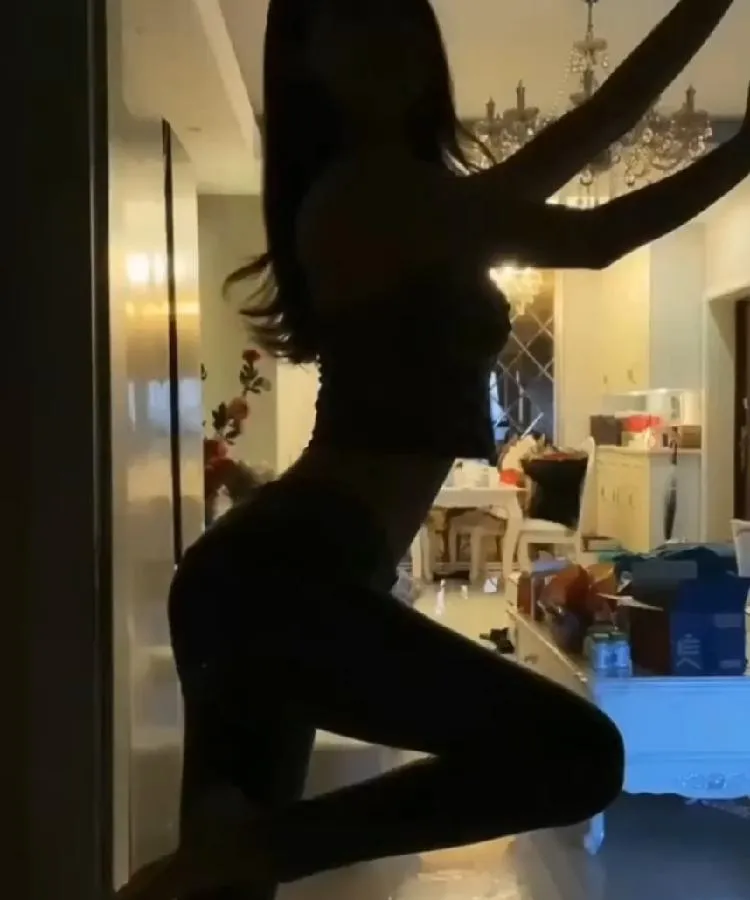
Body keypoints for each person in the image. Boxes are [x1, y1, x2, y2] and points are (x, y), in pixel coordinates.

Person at [117, 0, 749, 897]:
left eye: (397, 15)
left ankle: (240, 854)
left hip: (282, 575)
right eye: (349, 20)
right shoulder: (367, 195)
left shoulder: (412, 195)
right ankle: (244, 852)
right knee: (575, 754)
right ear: (306, 60)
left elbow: (596, 185)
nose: (383, 37)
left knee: (226, 878)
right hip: (281, 574)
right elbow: (596, 219)